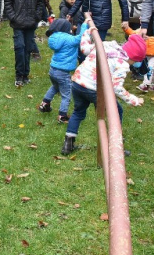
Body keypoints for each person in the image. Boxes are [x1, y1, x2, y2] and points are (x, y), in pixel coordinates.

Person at [62, 16, 145, 155]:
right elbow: (116, 87)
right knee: (116, 112)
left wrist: (88, 33)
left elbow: (84, 48)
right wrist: (134, 100)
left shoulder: (105, 45)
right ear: (134, 58)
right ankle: (115, 144)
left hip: (77, 82)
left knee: (78, 112)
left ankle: (68, 144)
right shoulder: (122, 64)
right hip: (94, 89)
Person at [38, 18, 90, 123]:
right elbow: (81, 37)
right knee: (66, 94)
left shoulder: (53, 37)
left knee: (55, 87)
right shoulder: (68, 39)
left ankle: (44, 104)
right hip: (63, 72)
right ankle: (62, 116)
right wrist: (85, 24)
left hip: (53, 70)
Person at [3, 0, 44, 87]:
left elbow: (40, 2)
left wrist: (37, 16)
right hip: (18, 23)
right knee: (19, 47)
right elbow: (8, 0)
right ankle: (19, 75)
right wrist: (13, 16)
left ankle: (25, 75)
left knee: (28, 48)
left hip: (31, 22)